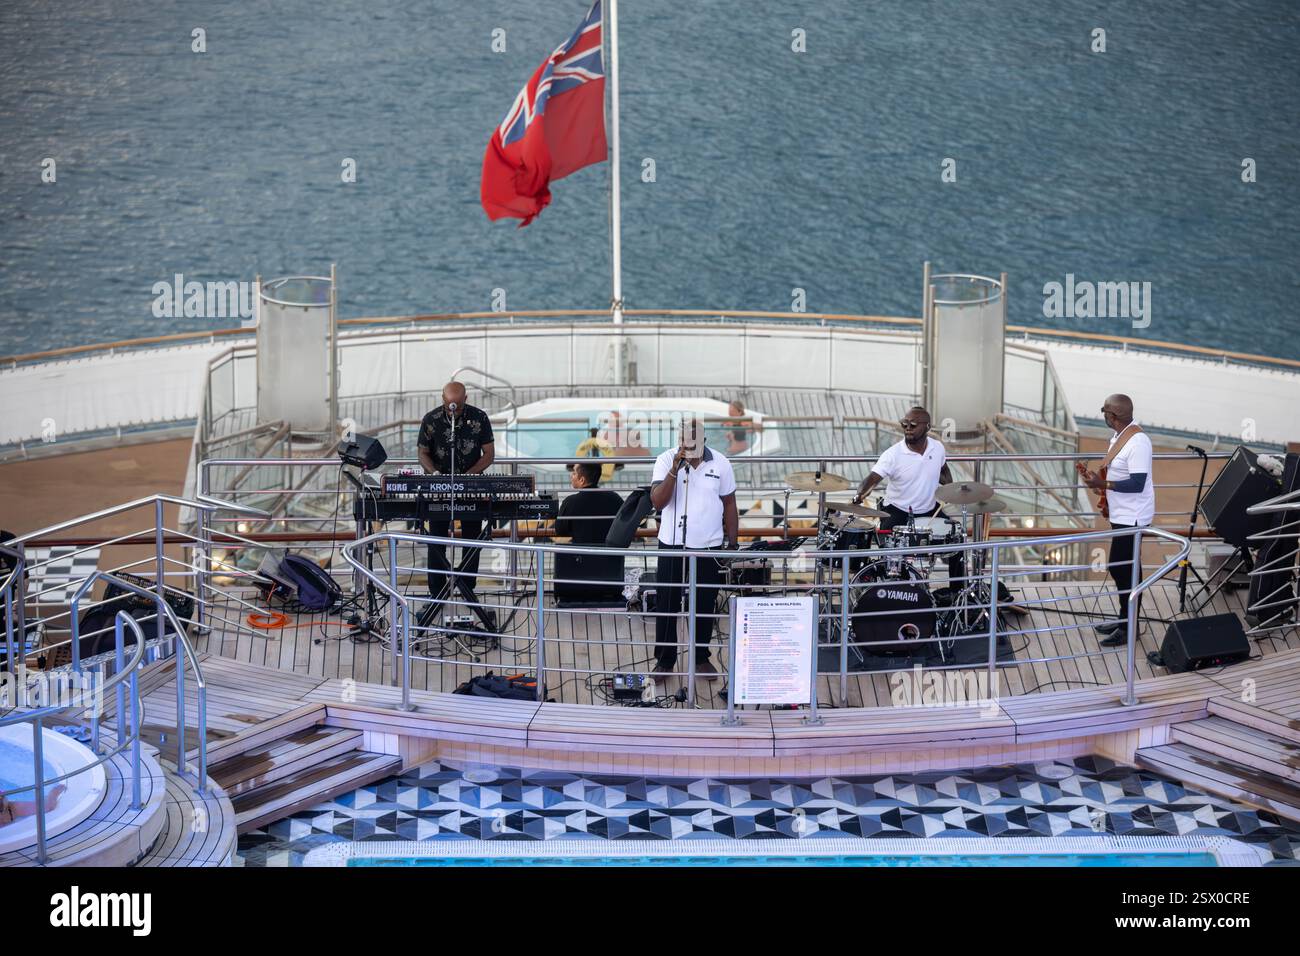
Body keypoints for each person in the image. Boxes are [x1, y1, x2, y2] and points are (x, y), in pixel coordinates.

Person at [648, 418, 739, 678]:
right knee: (667, 604)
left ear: (704, 442)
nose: (687, 447)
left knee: (704, 603)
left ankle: (700, 657)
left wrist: (732, 544)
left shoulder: (721, 463)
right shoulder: (666, 460)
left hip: (708, 547)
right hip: (672, 544)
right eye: (682, 443)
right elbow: (658, 502)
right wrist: (675, 469)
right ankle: (665, 661)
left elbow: (730, 504)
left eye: (692, 444)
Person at [852, 406, 963, 585]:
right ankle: (890, 589)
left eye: (913, 424)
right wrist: (860, 494)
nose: (907, 428)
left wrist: (952, 490)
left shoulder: (937, 448)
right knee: (890, 553)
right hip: (897, 510)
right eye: (904, 424)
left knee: (958, 540)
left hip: (929, 509)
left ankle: (957, 593)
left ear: (927, 427)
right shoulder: (893, 454)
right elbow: (871, 479)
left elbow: (944, 472)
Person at [1080, 394, 1153, 647]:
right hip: (1121, 513)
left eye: (1106, 413)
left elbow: (1137, 483)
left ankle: (1129, 625)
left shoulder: (1138, 442)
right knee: (1125, 567)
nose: (1104, 417)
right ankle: (1125, 619)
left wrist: (1104, 483)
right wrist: (1099, 483)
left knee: (1123, 568)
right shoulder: (1119, 438)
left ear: (1113, 416)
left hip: (1133, 517)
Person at [416, 382, 496, 616]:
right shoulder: (430, 420)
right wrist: (434, 474)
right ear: (442, 398)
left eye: (458, 408)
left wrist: (468, 476)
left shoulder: (479, 418)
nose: (453, 411)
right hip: (439, 487)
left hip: (471, 487)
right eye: (449, 406)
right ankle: (437, 594)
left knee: (472, 541)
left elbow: (489, 453)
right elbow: (422, 452)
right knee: (436, 540)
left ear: (465, 399)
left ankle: (467, 589)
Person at [555, 462, 624, 545]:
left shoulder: (570, 502)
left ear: (582, 480)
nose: (571, 476)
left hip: (582, 555)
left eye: (574, 473)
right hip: (612, 555)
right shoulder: (615, 498)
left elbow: (560, 531)